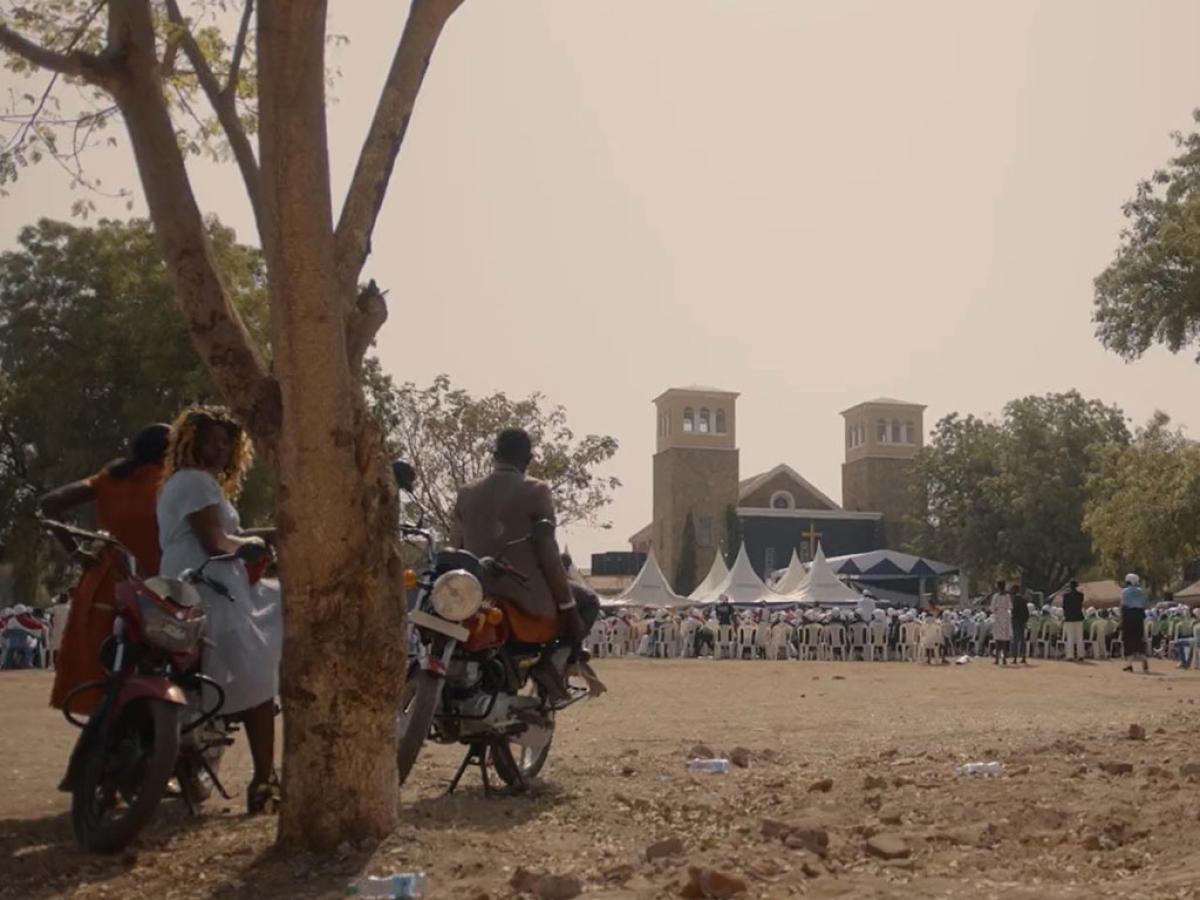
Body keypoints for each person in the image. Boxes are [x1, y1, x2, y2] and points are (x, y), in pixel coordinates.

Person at [156, 406, 282, 813]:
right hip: (207, 586)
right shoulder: (195, 482)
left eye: (227, 442)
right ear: (192, 441)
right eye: (213, 440)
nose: (222, 448)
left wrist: (266, 536)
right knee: (259, 676)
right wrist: (251, 546)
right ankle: (264, 781)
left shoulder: (193, 483)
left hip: (198, 582)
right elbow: (215, 541)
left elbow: (226, 534)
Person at [450, 428, 595, 700]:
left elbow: (456, 547)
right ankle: (551, 666)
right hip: (523, 596)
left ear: (494, 456)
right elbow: (548, 555)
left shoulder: (466, 494)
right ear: (528, 459)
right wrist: (568, 606)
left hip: (475, 594)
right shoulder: (536, 491)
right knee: (588, 602)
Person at [40, 424, 169, 712]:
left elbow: (51, 503)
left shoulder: (109, 477)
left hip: (107, 578)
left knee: (101, 660)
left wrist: (76, 553)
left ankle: (102, 723)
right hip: (159, 580)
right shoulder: (170, 481)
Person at [1120, 573, 1150, 674]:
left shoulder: (1124, 591)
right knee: (1139, 638)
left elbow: (1124, 604)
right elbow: (1145, 603)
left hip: (1128, 616)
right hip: (1139, 616)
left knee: (1128, 640)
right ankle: (1144, 659)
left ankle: (1129, 664)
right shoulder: (1141, 591)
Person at [1061, 580, 1085, 662]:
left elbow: (1064, 607)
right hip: (1079, 617)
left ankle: (1070, 656)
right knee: (1079, 637)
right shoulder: (1080, 595)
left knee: (1070, 637)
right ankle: (1080, 655)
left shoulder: (1066, 595)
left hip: (1069, 618)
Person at [990, 581, 1013, 666]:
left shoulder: (995, 596)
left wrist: (997, 610)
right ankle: (1003, 659)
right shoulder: (1007, 596)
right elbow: (1010, 606)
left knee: (997, 639)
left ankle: (997, 659)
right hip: (1005, 617)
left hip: (998, 617)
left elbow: (992, 608)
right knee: (1003, 639)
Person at [47, 594, 71, 669]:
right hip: (67, 630)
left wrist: (54, 601)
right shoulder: (69, 608)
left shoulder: (55, 608)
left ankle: (55, 664)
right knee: (66, 647)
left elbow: (47, 611)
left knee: (56, 648)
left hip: (57, 630)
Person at [1010, 587, 1031, 664]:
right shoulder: (1023, 599)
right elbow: (1026, 612)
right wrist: (1025, 620)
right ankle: (1023, 657)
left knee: (1015, 639)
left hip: (1016, 620)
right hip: (1022, 621)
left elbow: (1014, 610)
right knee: (1022, 639)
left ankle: (1015, 658)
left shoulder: (1015, 599)